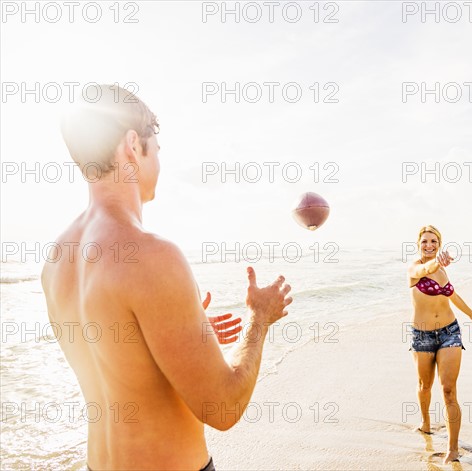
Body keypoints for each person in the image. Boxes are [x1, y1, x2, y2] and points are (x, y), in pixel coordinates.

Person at [41, 85, 293, 470]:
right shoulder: (150, 255)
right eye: (155, 150)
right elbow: (223, 408)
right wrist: (260, 319)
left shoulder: (57, 259)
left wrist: (169, 329)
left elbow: (115, 356)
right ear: (132, 147)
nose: (158, 162)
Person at [406, 225, 472, 464]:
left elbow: (452, 294)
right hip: (423, 336)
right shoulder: (414, 268)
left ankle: (453, 448)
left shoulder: (442, 271)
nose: (429, 246)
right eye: (425, 242)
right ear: (418, 244)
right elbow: (426, 268)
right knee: (424, 386)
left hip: (450, 331)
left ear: (439, 245)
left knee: (449, 391)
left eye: (434, 242)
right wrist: (437, 262)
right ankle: (426, 422)